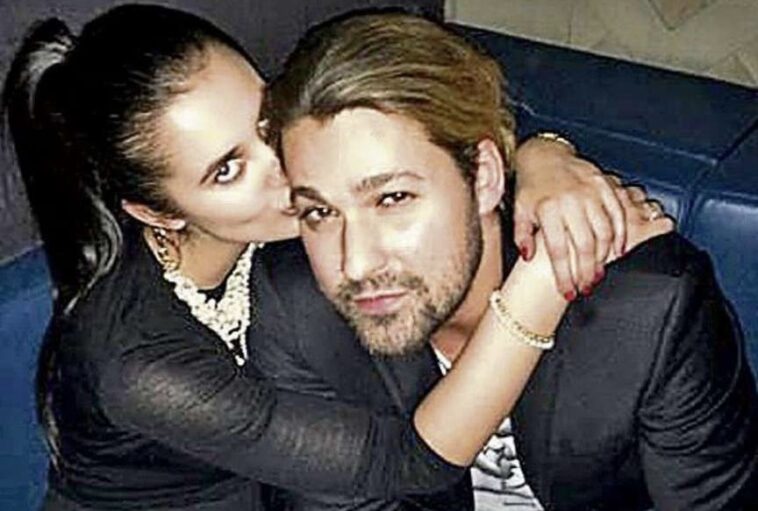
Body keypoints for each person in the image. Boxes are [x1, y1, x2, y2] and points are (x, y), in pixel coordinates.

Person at [0, 4, 669, 511]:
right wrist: (545, 277)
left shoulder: (271, 223)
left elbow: (432, 121)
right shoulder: (140, 366)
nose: (285, 167)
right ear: (158, 213)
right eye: (228, 170)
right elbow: (408, 464)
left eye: (265, 123)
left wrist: (543, 156)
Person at [261, 12, 758, 511]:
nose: (355, 263)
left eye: (392, 199)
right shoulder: (296, 312)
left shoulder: (648, 308)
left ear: (484, 178)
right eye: (320, 212)